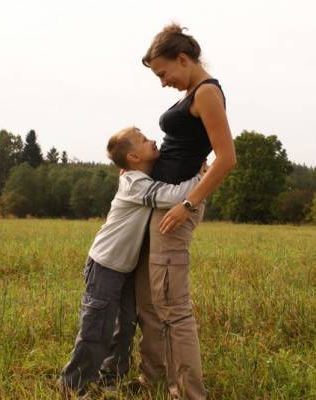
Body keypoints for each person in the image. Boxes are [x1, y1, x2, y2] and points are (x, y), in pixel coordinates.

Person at [59, 126, 204, 397]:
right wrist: (200, 177)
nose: (153, 140)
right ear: (134, 158)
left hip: (125, 269)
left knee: (124, 327)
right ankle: (72, 386)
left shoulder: (140, 177)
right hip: (105, 265)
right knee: (97, 328)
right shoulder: (135, 184)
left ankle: (109, 379)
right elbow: (173, 196)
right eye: (144, 140)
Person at [134, 23, 237, 400]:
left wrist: (188, 204)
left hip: (177, 208)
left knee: (172, 306)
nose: (163, 82)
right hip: (164, 202)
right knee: (149, 299)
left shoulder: (207, 92)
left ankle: (188, 393)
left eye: (163, 74)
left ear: (182, 59)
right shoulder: (194, 93)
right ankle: (153, 379)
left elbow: (227, 158)